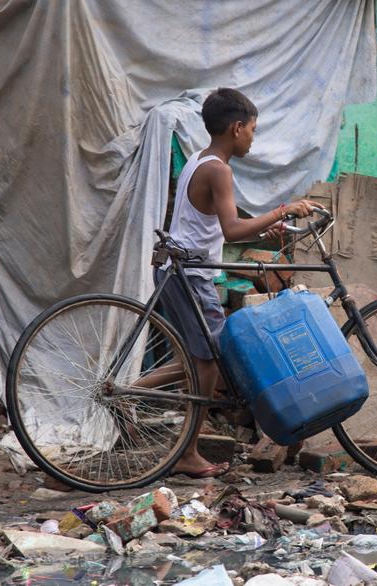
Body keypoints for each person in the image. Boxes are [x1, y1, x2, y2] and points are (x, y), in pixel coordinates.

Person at [135, 87, 321, 478]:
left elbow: (219, 227)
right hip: (189, 274)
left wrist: (269, 228)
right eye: (253, 129)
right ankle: (182, 448)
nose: (253, 137)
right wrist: (283, 209)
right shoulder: (219, 169)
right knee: (208, 362)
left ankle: (127, 392)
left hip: (178, 268)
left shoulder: (201, 160)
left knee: (200, 357)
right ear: (237, 128)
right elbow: (233, 230)